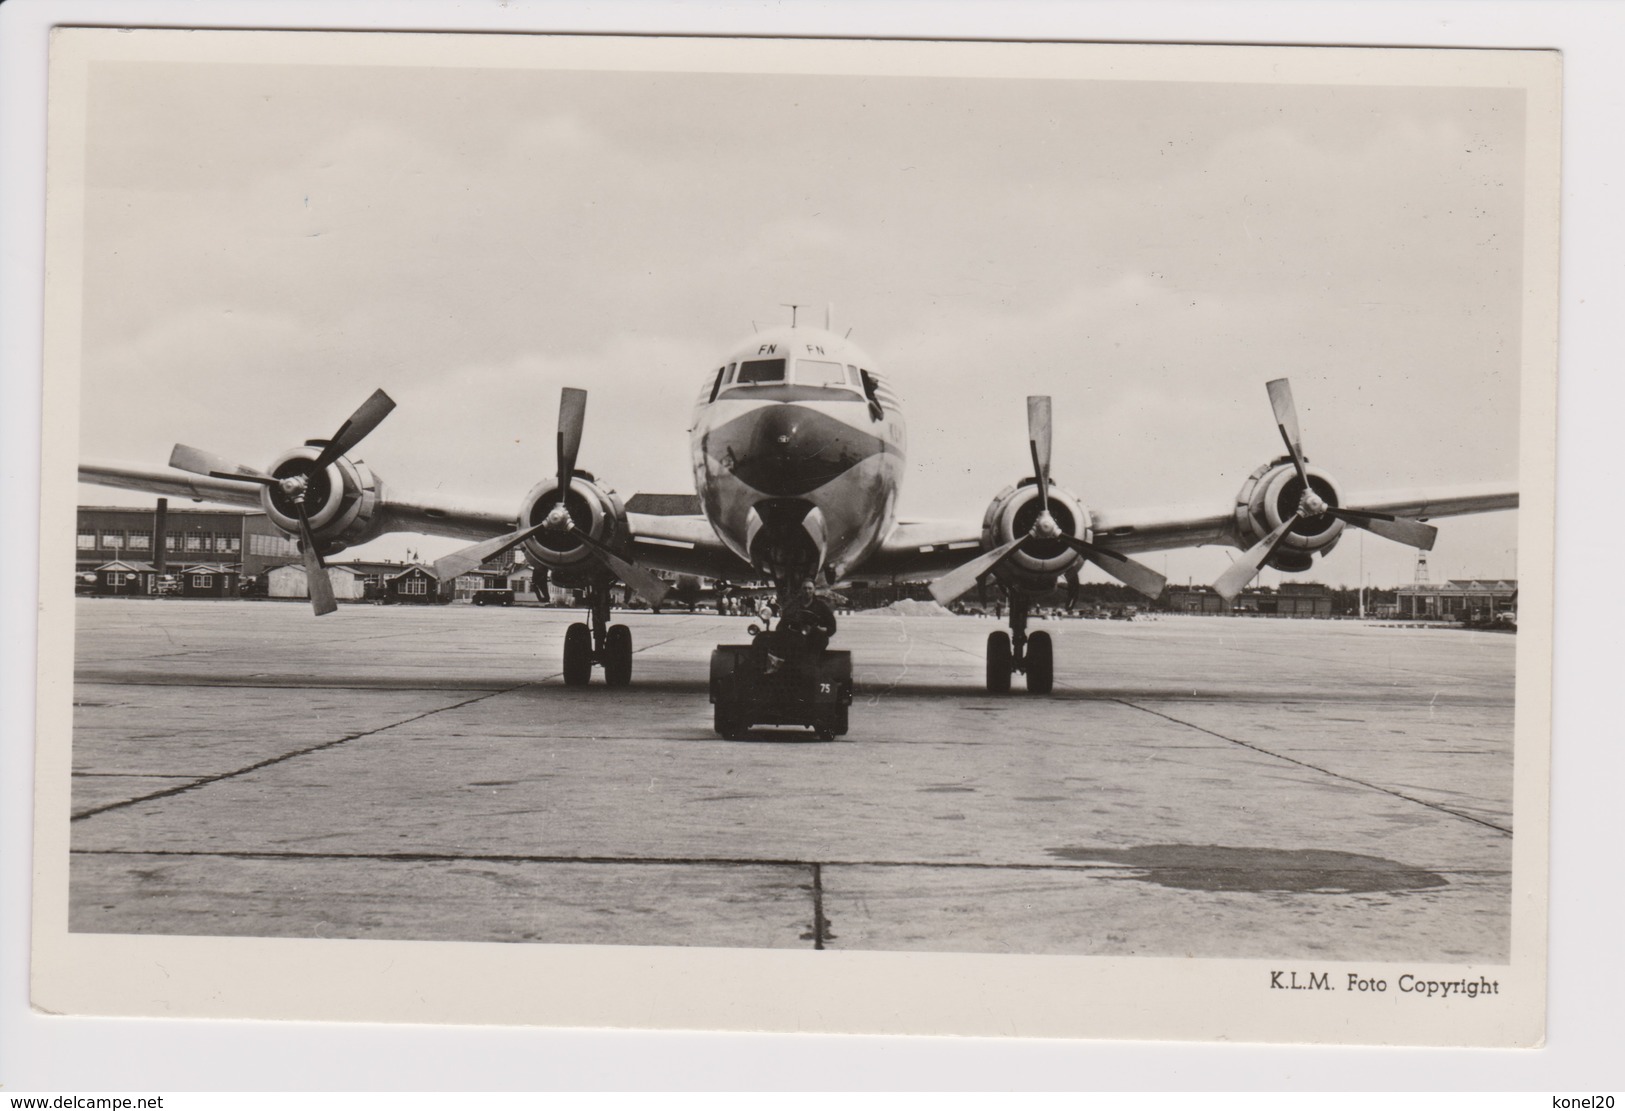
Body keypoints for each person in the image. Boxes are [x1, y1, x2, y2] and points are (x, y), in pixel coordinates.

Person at [760, 582, 837, 674]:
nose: (807, 591)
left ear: (814, 590)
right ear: (801, 590)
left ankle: (811, 671)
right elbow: (781, 625)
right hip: (795, 638)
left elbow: (832, 627)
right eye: (804, 588)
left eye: (809, 588)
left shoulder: (821, 606)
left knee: (812, 657)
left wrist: (821, 629)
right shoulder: (793, 605)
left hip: (814, 639)